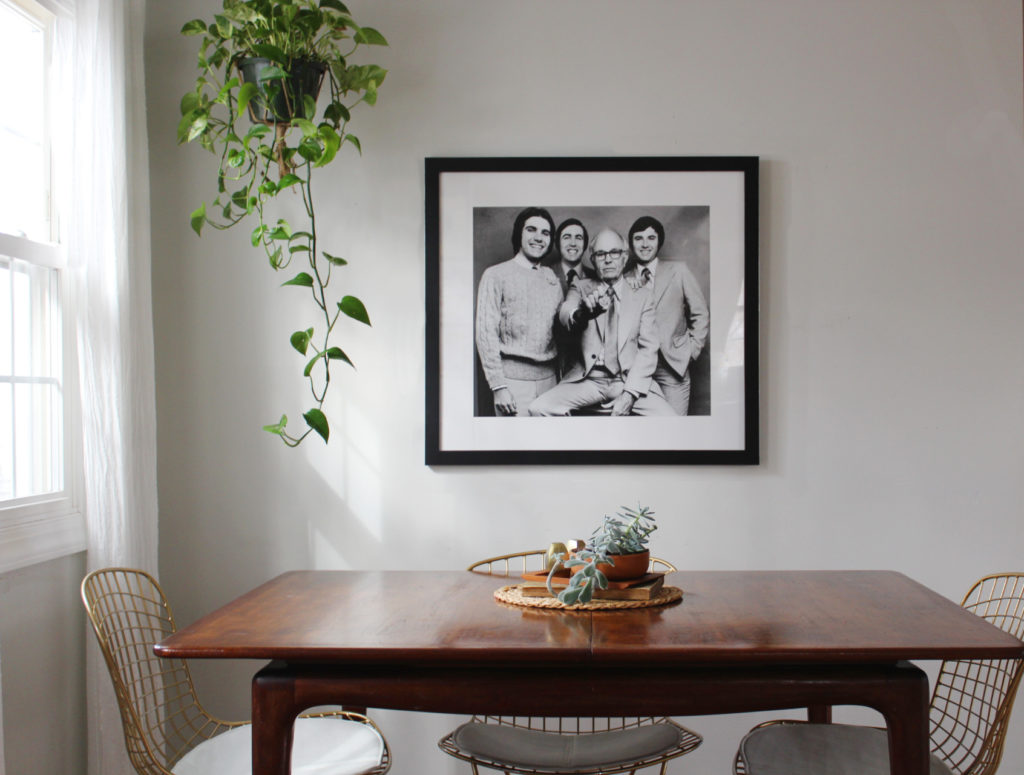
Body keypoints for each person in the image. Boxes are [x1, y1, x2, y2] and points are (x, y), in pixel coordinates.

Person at [528, 228, 675, 417]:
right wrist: (582, 314)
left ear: (624, 256)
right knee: (538, 408)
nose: (607, 259)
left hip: (627, 380)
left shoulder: (643, 296)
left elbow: (648, 350)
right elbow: (566, 312)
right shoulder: (580, 287)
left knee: (670, 421)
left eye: (614, 253)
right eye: (600, 254)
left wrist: (629, 395)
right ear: (593, 259)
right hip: (589, 380)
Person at [475, 207, 564, 416]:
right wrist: (499, 387)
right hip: (512, 385)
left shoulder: (551, 278)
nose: (538, 238)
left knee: (549, 446)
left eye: (545, 233)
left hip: (551, 383)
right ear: (519, 234)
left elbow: (561, 333)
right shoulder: (496, 275)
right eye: (531, 229)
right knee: (515, 447)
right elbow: (485, 334)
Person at [625, 215, 709, 415]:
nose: (645, 244)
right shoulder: (624, 277)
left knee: (674, 431)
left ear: (659, 242)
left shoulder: (678, 271)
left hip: (673, 367)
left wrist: (690, 352)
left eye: (651, 238)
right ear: (631, 243)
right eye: (638, 238)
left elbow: (700, 313)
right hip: (637, 368)